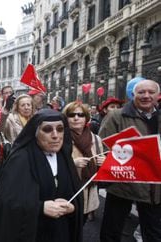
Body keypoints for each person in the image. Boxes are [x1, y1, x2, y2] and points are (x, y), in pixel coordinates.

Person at [0, 109, 83, 242]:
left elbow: (74, 192)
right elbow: (8, 202)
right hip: (33, 232)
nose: (55, 135)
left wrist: (72, 206)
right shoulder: (20, 159)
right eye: (47, 129)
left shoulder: (64, 157)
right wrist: (40, 207)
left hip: (61, 231)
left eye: (60, 129)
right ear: (35, 132)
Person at [99, 79, 161, 242]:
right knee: (111, 231)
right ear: (133, 95)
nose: (146, 96)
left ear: (158, 96)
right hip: (122, 184)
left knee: (153, 233)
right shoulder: (116, 116)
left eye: (151, 92)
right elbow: (103, 145)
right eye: (141, 92)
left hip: (154, 188)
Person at [62, 101, 104, 223]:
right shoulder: (60, 136)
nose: (76, 118)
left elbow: (101, 164)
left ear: (86, 118)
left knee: (81, 225)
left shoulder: (95, 138)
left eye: (80, 115)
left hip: (89, 190)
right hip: (68, 190)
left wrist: (104, 162)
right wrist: (72, 163)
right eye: (72, 115)